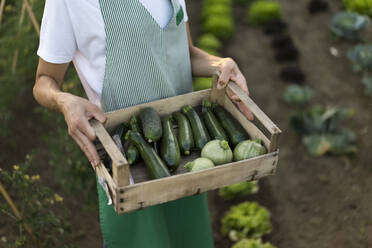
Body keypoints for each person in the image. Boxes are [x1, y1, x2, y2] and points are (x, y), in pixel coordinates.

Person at [33, 0, 253, 247]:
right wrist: (63, 101)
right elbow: (44, 80)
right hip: (128, 161)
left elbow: (185, 52)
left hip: (183, 153)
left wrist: (219, 64)